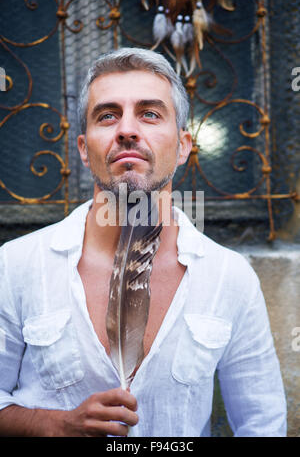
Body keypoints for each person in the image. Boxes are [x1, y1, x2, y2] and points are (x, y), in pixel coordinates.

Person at [0, 48, 286, 437]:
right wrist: (53, 424)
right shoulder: (16, 265)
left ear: (184, 145)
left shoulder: (228, 277)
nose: (127, 130)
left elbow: (262, 424)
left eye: (150, 114)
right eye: (108, 115)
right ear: (84, 149)